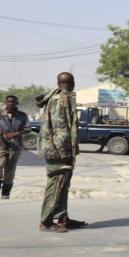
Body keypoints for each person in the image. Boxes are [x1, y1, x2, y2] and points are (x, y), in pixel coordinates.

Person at [36, 72, 87, 232]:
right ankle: (46, 221)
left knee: (63, 184)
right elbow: (60, 129)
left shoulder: (59, 97)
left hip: (58, 150)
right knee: (56, 185)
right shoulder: (61, 100)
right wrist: (65, 154)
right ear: (71, 83)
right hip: (58, 152)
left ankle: (63, 218)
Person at [0, 95, 30, 199]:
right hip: (0, 144)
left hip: (15, 146)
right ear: (6, 103)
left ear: (16, 103)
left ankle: (6, 192)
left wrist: (16, 133)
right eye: (9, 102)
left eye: (13, 102)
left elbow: (28, 129)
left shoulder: (22, 116)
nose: (11, 104)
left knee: (10, 171)